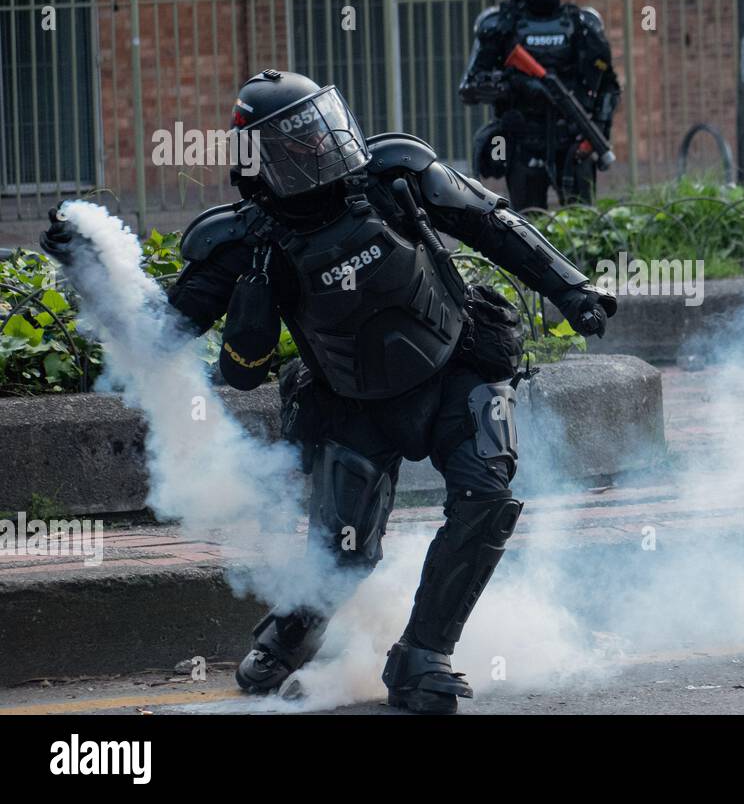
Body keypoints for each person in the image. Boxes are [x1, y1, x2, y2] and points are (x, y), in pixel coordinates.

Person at [42, 69, 615, 715]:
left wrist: (574, 289)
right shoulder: (242, 241)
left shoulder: (396, 173)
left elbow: (492, 223)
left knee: (488, 495)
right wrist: (91, 270)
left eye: (317, 128)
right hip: (353, 405)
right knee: (343, 558)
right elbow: (160, 335)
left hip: (457, 370)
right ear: (256, 159)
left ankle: (423, 656)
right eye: (291, 140)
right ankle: (291, 635)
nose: (313, 146)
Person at [460, 0, 621, 209]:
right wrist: (515, 85)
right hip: (524, 144)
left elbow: (609, 86)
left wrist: (597, 133)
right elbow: (470, 87)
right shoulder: (500, 24)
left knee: (584, 229)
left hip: (573, 144)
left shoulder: (582, 24)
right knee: (527, 232)